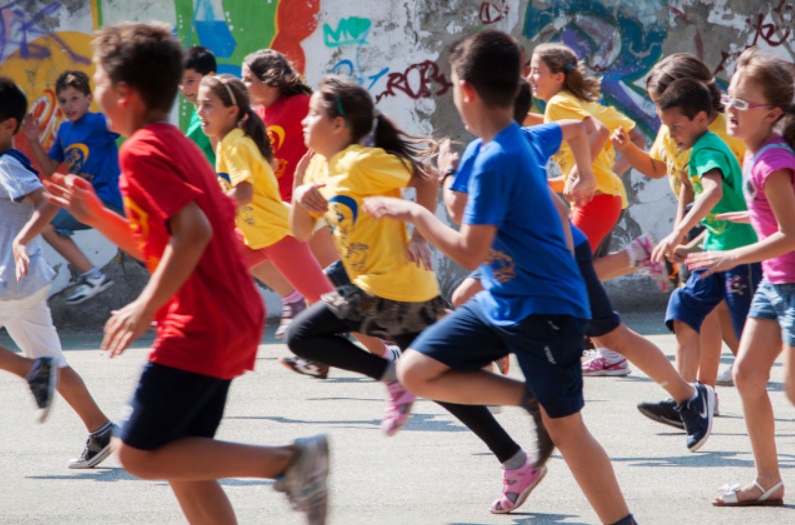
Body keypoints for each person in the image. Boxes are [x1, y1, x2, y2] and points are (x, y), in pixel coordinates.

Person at [44, 23, 328, 524]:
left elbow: (193, 233)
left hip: (199, 323)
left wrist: (142, 307)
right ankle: (290, 463)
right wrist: (96, 216)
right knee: (186, 465)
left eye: (100, 82)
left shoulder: (141, 151)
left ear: (123, 93)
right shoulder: (172, 142)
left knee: (136, 453)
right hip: (225, 318)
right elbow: (164, 244)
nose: (97, 93)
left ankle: (290, 461)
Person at [366, 30, 635, 524]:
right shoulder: (496, 148)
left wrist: (410, 213)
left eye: (451, 86)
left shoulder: (500, 157)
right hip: (504, 300)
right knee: (414, 371)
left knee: (568, 431)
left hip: (548, 311)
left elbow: (471, 250)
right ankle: (528, 397)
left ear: (466, 90)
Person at [288, 74, 552, 514]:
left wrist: (419, 235)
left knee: (301, 336)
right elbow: (299, 231)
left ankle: (392, 377)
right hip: (380, 288)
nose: (304, 120)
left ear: (338, 125)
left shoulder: (362, 161)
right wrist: (300, 193)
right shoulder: (321, 166)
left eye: (313, 112)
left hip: (397, 288)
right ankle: (517, 461)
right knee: (442, 386)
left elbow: (424, 175)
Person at [442, 75, 714, 453]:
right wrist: (581, 171)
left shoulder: (479, 151)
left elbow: (457, 210)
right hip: (535, 253)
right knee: (467, 295)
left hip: (550, 255)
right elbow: (585, 127)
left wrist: (447, 172)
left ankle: (688, 396)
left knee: (610, 335)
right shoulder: (529, 137)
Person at [686, 47, 795, 507]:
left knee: (792, 388)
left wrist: (732, 258)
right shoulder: (753, 155)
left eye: (742, 102)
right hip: (776, 283)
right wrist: (746, 216)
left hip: (791, 284)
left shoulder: (771, 160)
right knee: (749, 375)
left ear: (771, 112)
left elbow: (791, 234)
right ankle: (768, 481)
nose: (729, 108)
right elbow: (773, 216)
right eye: (729, 97)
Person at [0, 76, 116, 468]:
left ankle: (32, 370)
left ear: (8, 126)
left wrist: (20, 242)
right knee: (56, 363)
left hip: (10, 282)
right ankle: (101, 429)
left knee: (43, 365)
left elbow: (46, 201)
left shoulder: (6, 163)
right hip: (27, 286)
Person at [612, 53, 744, 392]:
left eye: (666, 106)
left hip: (726, 227)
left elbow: (716, 189)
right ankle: (707, 387)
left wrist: (682, 230)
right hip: (700, 226)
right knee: (709, 312)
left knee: (707, 312)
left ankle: (700, 390)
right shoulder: (677, 130)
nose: (663, 118)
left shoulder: (714, 137)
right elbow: (665, 171)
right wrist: (628, 150)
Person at [649, 77, 761, 435]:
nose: (671, 133)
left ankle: (694, 399)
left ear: (700, 118)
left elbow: (712, 193)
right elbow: (721, 217)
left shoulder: (706, 149)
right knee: (683, 310)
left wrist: (678, 231)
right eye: (666, 126)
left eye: (676, 126)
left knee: (752, 344)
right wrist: (690, 247)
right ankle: (688, 400)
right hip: (715, 255)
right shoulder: (702, 146)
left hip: (741, 259)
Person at [241, 49, 339, 341]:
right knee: (321, 288)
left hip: (306, 206)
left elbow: (338, 126)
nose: (244, 86)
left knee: (330, 284)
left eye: (248, 80)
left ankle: (384, 342)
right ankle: (320, 350)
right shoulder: (255, 116)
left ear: (268, 82)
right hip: (273, 213)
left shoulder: (301, 105)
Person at [21, 70, 122, 305]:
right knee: (46, 225)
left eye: (75, 98)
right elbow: (49, 168)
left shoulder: (98, 123)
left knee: (144, 253)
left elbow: (126, 125)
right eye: (63, 101)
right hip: (88, 203)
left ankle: (95, 277)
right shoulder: (65, 131)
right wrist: (34, 141)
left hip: (109, 199)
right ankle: (94, 276)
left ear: (88, 98)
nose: (69, 105)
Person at [527, 42, 625, 254]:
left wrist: (576, 177)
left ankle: (640, 257)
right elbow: (542, 126)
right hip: (600, 199)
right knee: (579, 272)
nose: (529, 78)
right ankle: (639, 256)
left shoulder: (558, 103)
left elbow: (599, 131)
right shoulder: (562, 106)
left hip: (597, 201)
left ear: (558, 78)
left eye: (536, 71)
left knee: (565, 268)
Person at [179, 45, 216, 166]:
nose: (184, 88)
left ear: (210, 77)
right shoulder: (200, 111)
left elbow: (183, 152)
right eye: (180, 82)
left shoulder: (211, 113)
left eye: (190, 81)